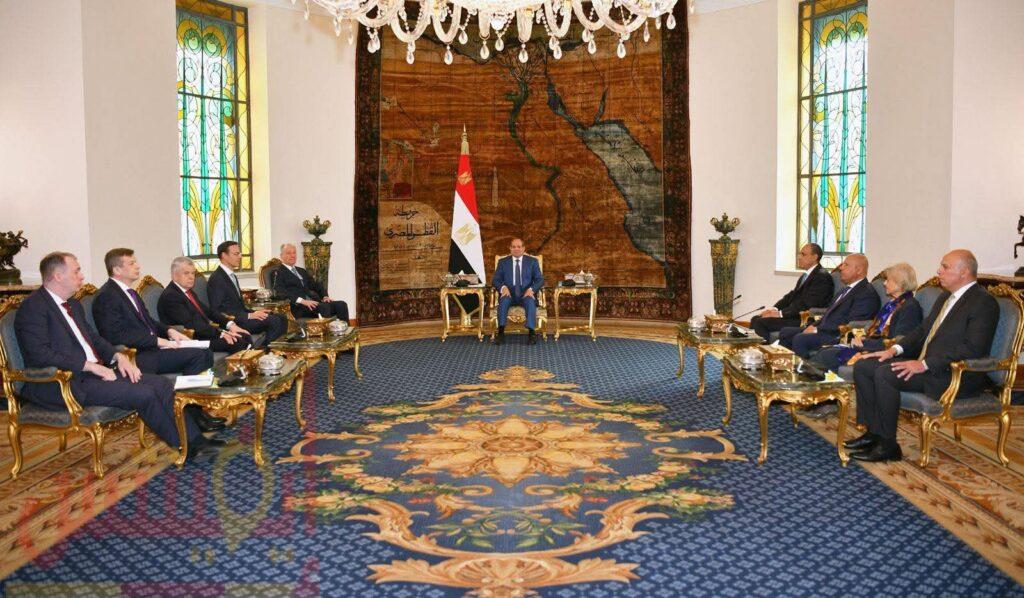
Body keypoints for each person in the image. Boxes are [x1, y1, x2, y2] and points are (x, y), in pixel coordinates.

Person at [14, 252, 223, 461]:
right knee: (145, 394)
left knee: (161, 384)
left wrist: (117, 356)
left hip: (94, 375)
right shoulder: (33, 308)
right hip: (64, 383)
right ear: (58, 276)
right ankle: (187, 449)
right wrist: (90, 366)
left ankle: (196, 441)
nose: (82, 276)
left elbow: (94, 339)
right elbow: (39, 354)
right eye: (76, 271)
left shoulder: (73, 304)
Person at [846, 250, 999, 462]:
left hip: (953, 374)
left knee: (885, 374)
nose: (939, 271)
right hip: (928, 365)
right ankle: (873, 433)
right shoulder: (946, 297)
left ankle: (888, 445)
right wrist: (894, 350)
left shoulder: (983, 302)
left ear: (964, 272)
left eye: (945, 267)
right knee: (865, 366)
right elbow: (922, 330)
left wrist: (925, 364)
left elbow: (973, 349)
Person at [92, 249, 225, 433]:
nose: (138, 266)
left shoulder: (130, 292)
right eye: (131, 263)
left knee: (203, 353)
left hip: (150, 350)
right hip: (135, 357)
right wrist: (158, 341)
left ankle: (195, 412)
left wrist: (169, 331)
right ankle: (190, 415)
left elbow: (149, 322)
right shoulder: (107, 296)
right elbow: (115, 335)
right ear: (117, 270)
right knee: (198, 356)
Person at [813, 262, 923, 372]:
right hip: (874, 344)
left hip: (886, 353)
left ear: (900, 284)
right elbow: (877, 330)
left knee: (827, 356)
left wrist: (865, 343)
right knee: (824, 351)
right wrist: (864, 338)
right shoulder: (892, 304)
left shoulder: (910, 307)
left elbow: (899, 341)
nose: (884, 283)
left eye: (888, 280)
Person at [778, 253, 880, 358]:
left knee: (800, 339)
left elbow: (852, 322)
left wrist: (818, 329)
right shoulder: (846, 289)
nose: (841, 268)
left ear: (858, 270)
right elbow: (828, 313)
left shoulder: (866, 293)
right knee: (786, 332)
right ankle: (783, 363)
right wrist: (813, 326)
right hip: (824, 330)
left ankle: (805, 367)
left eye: (846, 265)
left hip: (836, 334)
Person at [157, 257, 252, 355]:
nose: (191, 277)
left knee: (244, 335)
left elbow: (209, 312)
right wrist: (221, 333)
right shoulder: (171, 296)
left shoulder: (188, 292)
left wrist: (230, 325)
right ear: (174, 276)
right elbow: (191, 324)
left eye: (193, 273)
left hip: (203, 333)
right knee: (237, 341)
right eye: (186, 273)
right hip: (191, 340)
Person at [207, 241, 287, 346]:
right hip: (235, 322)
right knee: (275, 321)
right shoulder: (217, 278)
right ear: (224, 255)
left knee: (281, 317)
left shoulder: (231, 275)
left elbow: (239, 306)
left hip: (243, 317)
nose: (240, 256)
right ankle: (265, 352)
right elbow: (218, 310)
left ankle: (270, 350)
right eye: (236, 254)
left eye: (240, 253)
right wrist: (249, 315)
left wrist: (255, 312)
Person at [750, 243, 833, 340]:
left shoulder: (822, 277)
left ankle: (768, 348)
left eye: (803, 254)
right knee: (755, 319)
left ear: (814, 257)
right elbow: (791, 296)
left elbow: (808, 304)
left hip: (804, 318)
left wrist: (781, 314)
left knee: (760, 322)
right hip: (794, 314)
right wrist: (774, 309)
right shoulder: (806, 275)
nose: (799, 257)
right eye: (799, 254)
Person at [272, 243, 349, 321]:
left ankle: (344, 328)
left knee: (341, 304)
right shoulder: (279, 272)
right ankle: (328, 329)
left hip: (313, 303)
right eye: (289, 253)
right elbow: (280, 292)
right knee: (324, 307)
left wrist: (324, 296)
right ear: (281, 256)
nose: (293, 255)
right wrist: (302, 301)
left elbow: (316, 285)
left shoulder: (301, 271)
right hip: (298, 307)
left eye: (294, 253)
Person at [492, 238, 543, 345]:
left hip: (526, 293)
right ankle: (501, 332)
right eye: (513, 247)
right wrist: (503, 288)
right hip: (509, 293)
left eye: (519, 247)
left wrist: (531, 290)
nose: (516, 249)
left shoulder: (532, 261)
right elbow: (495, 280)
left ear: (523, 248)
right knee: (504, 301)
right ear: (510, 248)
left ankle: (531, 333)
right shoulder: (503, 262)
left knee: (530, 301)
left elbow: (540, 280)